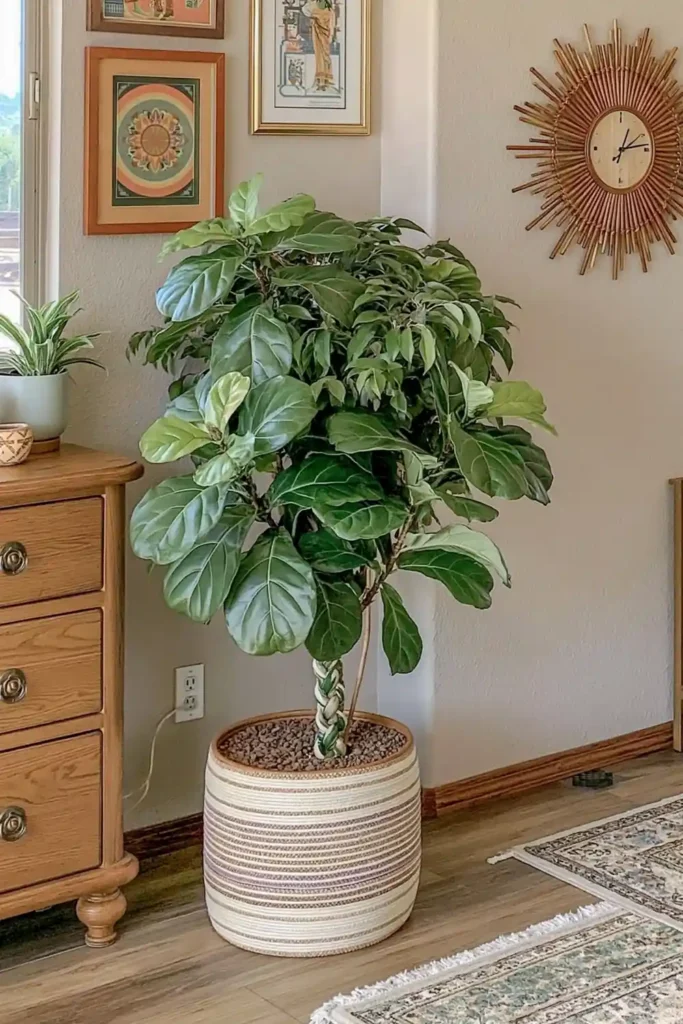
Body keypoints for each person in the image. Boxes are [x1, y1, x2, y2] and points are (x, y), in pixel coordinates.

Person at [303, 0, 336, 91]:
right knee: (323, 57)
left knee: (322, 57)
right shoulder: (329, 11)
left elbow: (305, 9)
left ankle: (323, 80)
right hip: (323, 38)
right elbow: (331, 27)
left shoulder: (317, 10)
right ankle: (323, 80)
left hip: (321, 37)